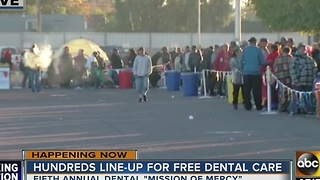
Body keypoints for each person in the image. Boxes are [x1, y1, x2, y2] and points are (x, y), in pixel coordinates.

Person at [289, 44, 317, 115]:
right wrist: (295, 80)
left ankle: (307, 109)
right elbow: (292, 70)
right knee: (296, 96)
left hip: (308, 81)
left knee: (308, 96)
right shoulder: (295, 59)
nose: (302, 51)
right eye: (300, 49)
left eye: (303, 49)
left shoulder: (310, 59)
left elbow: (314, 69)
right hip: (298, 81)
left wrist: (313, 78)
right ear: (298, 50)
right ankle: (294, 110)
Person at [241, 37, 266, 111]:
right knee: (257, 90)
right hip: (256, 72)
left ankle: (247, 105)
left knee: (247, 90)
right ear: (255, 42)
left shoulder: (245, 50)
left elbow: (241, 61)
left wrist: (242, 69)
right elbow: (262, 62)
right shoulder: (258, 50)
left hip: (246, 72)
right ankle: (258, 105)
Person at [273, 46, 293, 112]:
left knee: (282, 92)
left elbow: (275, 67)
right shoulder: (291, 58)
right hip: (289, 78)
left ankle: (281, 106)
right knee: (289, 92)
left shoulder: (278, 58)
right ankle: (288, 106)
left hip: (280, 77)